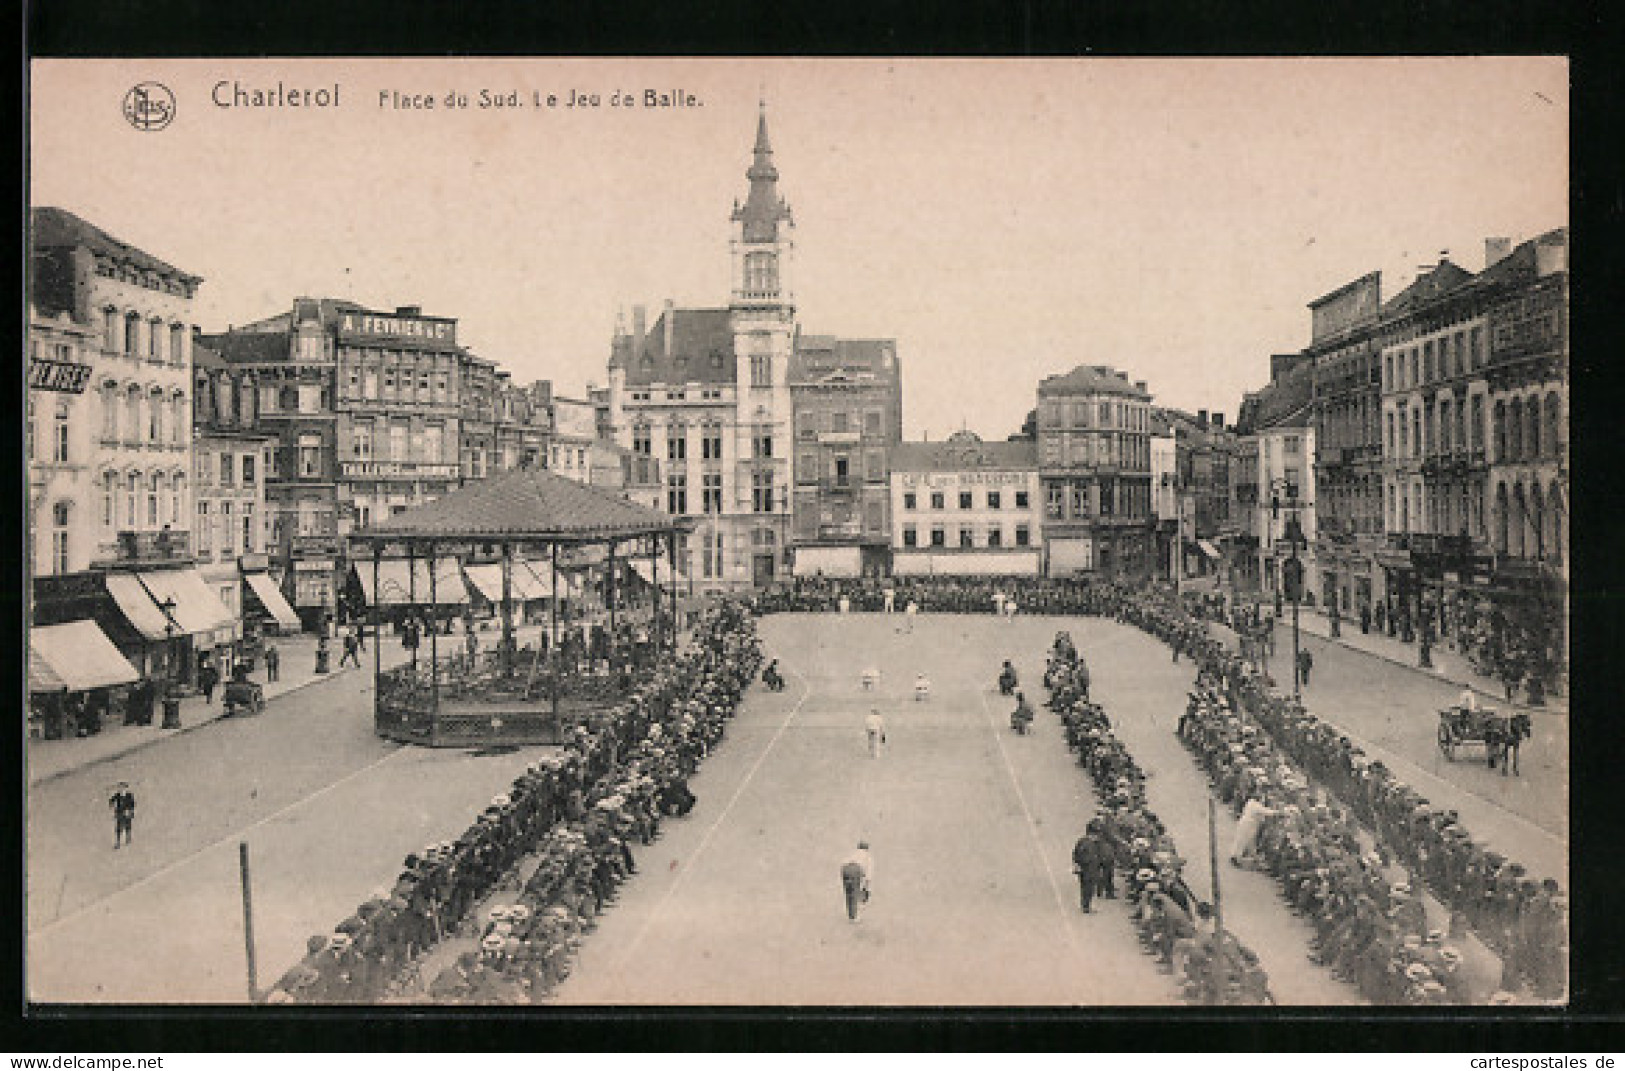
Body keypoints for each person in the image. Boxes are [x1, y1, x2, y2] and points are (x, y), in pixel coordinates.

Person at [841, 841, 873, 922]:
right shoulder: (868, 856)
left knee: (848, 892)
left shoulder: (853, 853)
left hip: (845, 869)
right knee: (854, 892)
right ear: (867, 849)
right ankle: (854, 917)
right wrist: (867, 888)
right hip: (856, 869)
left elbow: (844, 862)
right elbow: (868, 874)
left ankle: (851, 915)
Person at [1072, 832, 1102, 913]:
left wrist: (1076, 863)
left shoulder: (1081, 841)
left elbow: (1075, 853)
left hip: (1082, 869)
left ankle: (1084, 905)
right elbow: (1092, 857)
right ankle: (1086, 907)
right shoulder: (1091, 845)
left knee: (1084, 887)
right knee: (1089, 888)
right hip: (1090, 869)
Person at [109, 782, 136, 849]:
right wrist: (111, 804)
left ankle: (128, 838)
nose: (121, 789)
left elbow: (132, 804)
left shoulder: (129, 795)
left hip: (127, 813)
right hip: (119, 813)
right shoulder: (117, 795)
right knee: (119, 827)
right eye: (119, 788)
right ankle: (118, 842)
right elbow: (111, 801)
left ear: (126, 788)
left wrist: (130, 811)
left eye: (123, 788)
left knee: (128, 826)